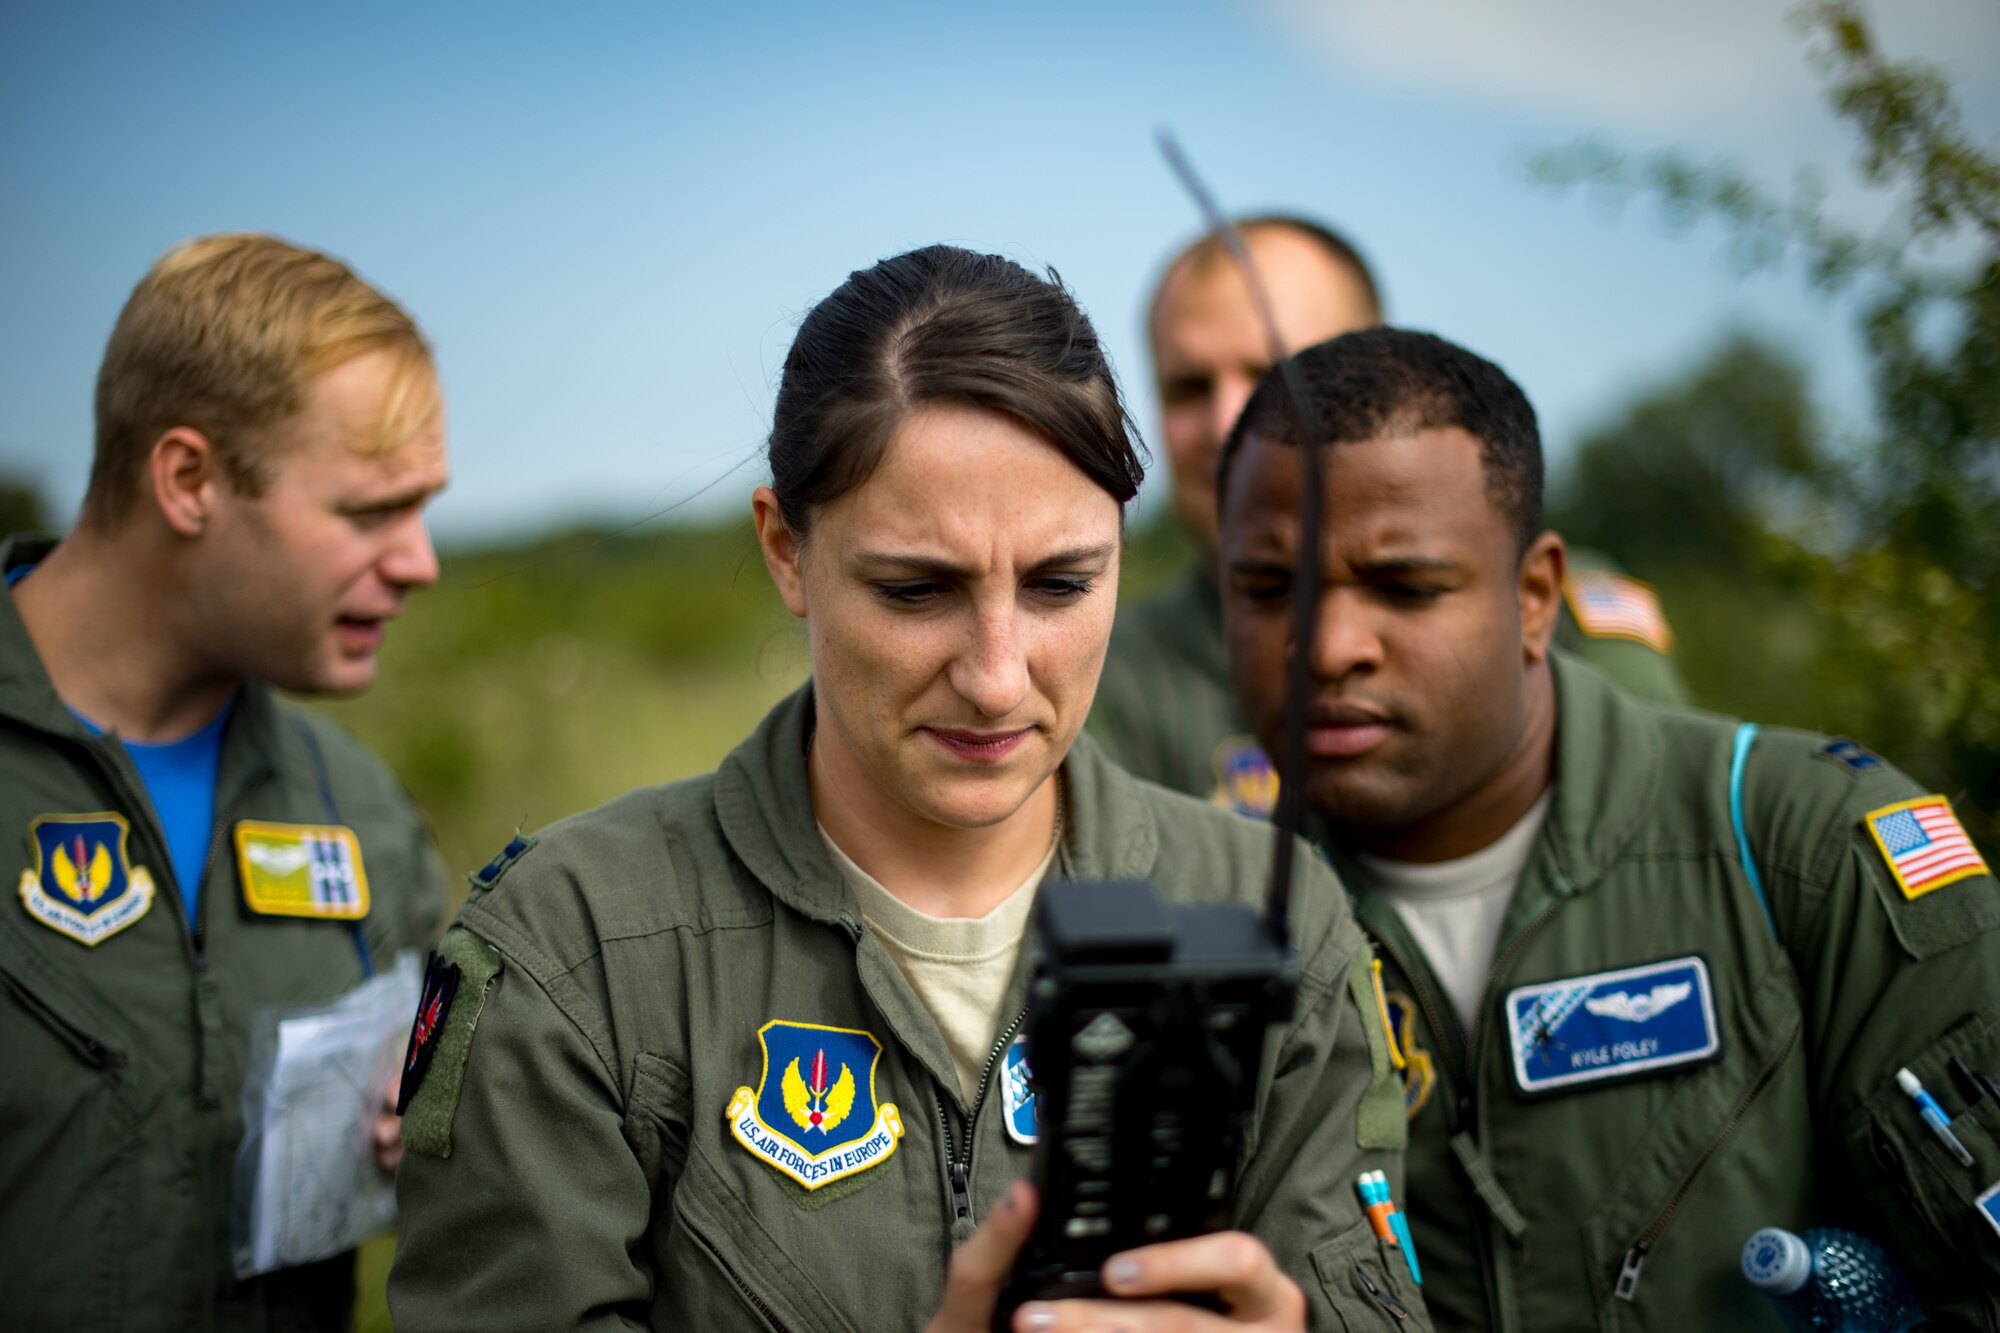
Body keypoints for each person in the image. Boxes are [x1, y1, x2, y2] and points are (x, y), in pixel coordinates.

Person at [388, 245, 1428, 1331]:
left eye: (1061, 583)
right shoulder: (577, 950)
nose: (994, 675)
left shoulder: (1269, 915)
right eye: (915, 589)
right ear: (785, 549)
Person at [1216, 326, 2000, 1329]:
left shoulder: (1808, 849)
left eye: (1404, 586)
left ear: (1534, 595)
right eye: (1265, 588)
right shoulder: (1209, 920)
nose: (1323, 648)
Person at [0, 234, 451, 1329]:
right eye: (366, 512)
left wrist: (433, 1134)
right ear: (188, 479)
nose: (419, 561)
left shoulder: (360, 813)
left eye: (423, 505)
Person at [1092, 218, 1685, 816]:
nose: (1226, 423)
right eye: (1188, 388)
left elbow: (1669, 827)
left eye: (1277, 375)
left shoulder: (1565, 622)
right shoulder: (1104, 670)